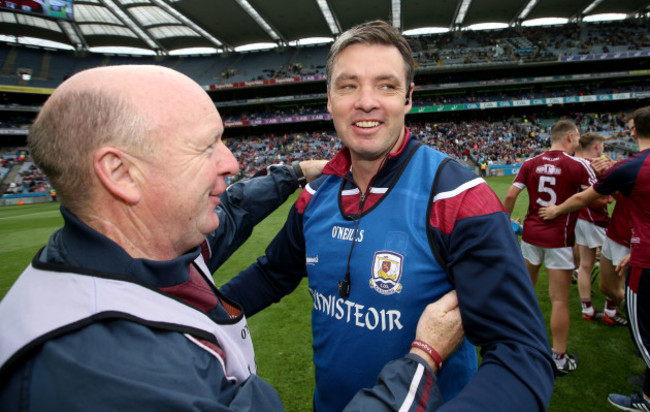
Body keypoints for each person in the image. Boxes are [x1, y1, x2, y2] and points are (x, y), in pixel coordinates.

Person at [0, 65, 465, 411]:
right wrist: (421, 360)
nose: (231, 162)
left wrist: (295, 172)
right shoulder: (116, 373)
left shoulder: (148, 247)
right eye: (206, 147)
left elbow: (235, 208)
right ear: (120, 173)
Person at [222, 20, 554, 411]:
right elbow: (271, 273)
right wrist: (191, 313)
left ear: (408, 98)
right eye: (348, 86)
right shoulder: (314, 194)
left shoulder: (458, 198)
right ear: (328, 99)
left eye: (386, 85)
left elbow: (522, 354)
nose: (366, 101)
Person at [538, 106, 650, 411]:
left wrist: (555, 210)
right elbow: (601, 196)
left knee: (641, 327)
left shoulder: (631, 167)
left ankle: (648, 396)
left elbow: (590, 196)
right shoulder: (623, 166)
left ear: (633, 132)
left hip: (635, 248)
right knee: (591, 283)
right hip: (619, 237)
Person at [503, 119, 598, 375]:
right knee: (559, 300)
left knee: (524, 292)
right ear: (568, 137)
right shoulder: (578, 165)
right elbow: (598, 196)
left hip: (531, 235)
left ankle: (514, 346)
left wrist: (504, 222)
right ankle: (558, 358)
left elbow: (511, 196)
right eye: (577, 137)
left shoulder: (530, 163)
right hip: (559, 239)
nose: (578, 141)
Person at [572, 132, 617, 323]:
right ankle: (611, 310)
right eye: (603, 148)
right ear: (597, 146)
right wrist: (611, 195)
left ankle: (587, 309)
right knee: (616, 264)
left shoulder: (574, 162)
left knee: (585, 265)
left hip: (579, 219)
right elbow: (598, 198)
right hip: (594, 219)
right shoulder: (590, 164)